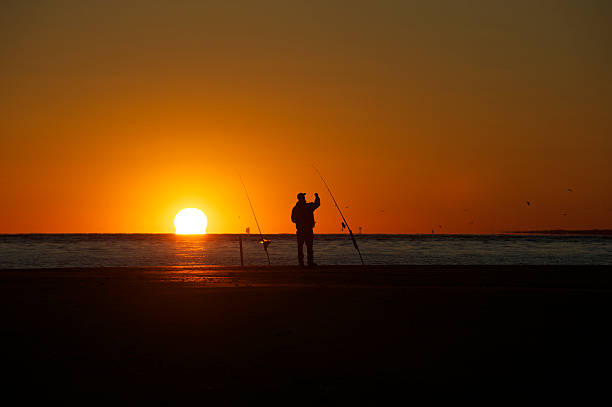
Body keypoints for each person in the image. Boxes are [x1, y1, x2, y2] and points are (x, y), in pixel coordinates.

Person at [291, 192, 320, 266]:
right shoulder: (308, 206)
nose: (304, 198)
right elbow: (317, 204)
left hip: (300, 230)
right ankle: (310, 262)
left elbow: (293, 219)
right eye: (303, 197)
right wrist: (317, 197)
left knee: (300, 248)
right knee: (309, 247)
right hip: (307, 230)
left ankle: (301, 263)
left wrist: (299, 220)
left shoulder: (295, 208)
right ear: (301, 198)